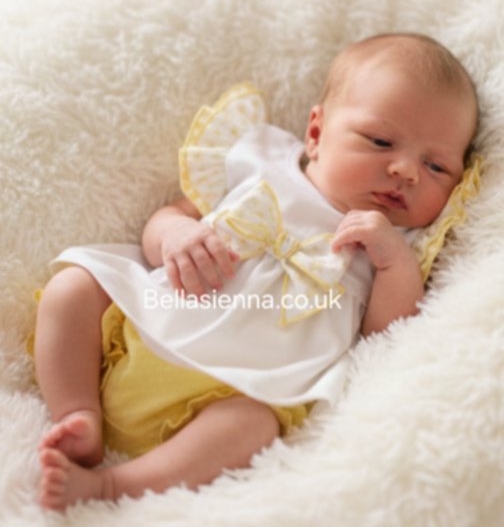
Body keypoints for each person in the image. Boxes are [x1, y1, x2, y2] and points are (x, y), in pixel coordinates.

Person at [29, 32, 479, 510]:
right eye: (381, 141)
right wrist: (176, 235)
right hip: (146, 326)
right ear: (316, 134)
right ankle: (77, 414)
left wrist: (392, 261)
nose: (406, 170)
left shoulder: (397, 245)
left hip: (237, 391)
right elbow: (170, 217)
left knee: (254, 427)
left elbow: (385, 340)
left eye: (436, 167)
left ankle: (113, 486)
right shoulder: (261, 163)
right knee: (72, 287)